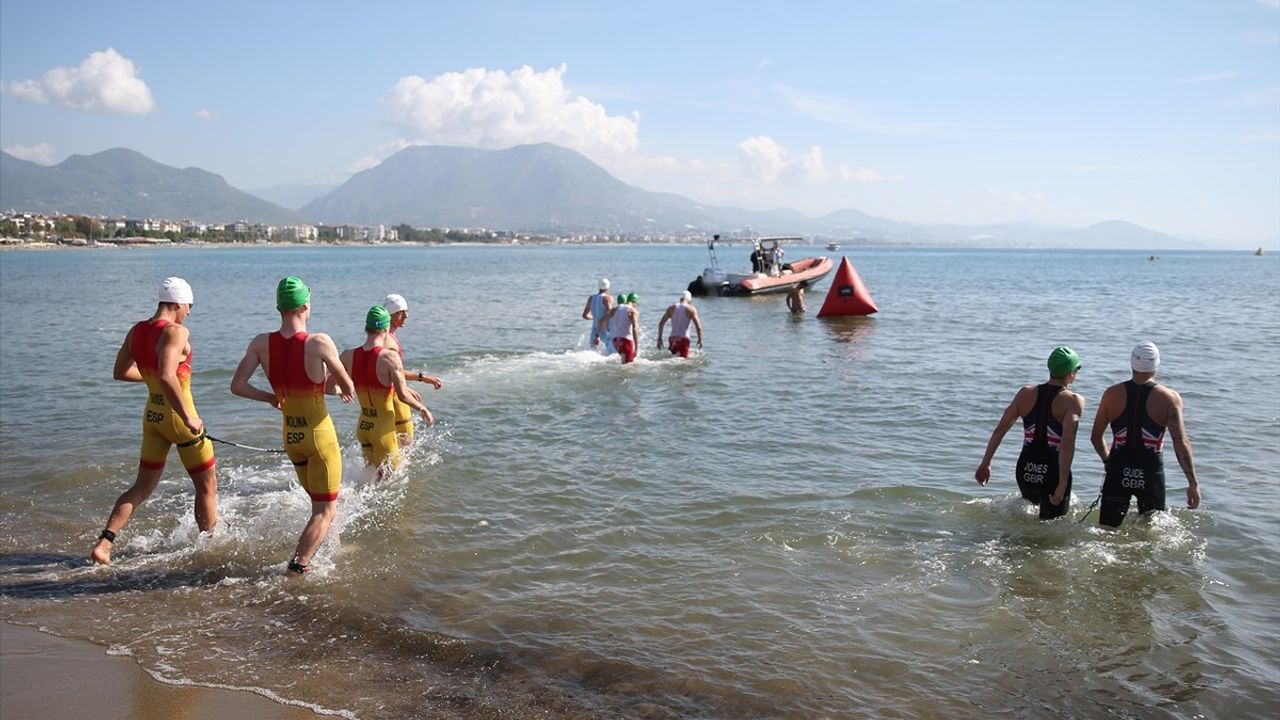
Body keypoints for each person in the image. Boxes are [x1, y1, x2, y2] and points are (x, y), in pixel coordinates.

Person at [230, 276, 356, 576]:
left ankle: (334, 548)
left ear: (278, 307)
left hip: (292, 437)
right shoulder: (319, 342)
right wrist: (337, 387)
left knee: (320, 505)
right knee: (325, 509)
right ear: (305, 306)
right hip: (319, 437)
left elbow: (237, 386)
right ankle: (298, 566)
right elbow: (346, 384)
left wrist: (271, 398)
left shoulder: (261, 343)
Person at [91, 277, 217, 564]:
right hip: (179, 419)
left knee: (141, 487)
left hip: (153, 417)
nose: (189, 312)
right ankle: (209, 550)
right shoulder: (176, 332)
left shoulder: (137, 331)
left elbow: (121, 372)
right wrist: (189, 417)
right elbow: (167, 375)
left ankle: (104, 544)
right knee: (206, 486)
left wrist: (151, 378)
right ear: (176, 304)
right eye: (189, 306)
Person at [1090, 341, 1201, 526]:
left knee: (1106, 532)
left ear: (1132, 363)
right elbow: (1181, 443)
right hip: (1150, 473)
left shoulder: (1111, 394)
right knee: (1150, 536)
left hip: (1117, 469)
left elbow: (1095, 437)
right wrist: (1193, 483)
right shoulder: (1169, 398)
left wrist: (1108, 462)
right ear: (1157, 364)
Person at [975, 346, 1085, 520]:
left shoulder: (1025, 393)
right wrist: (1062, 483)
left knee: (1028, 520)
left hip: (1025, 470)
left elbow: (1000, 429)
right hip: (1052, 473)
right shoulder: (1073, 401)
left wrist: (985, 463)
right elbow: (1066, 444)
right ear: (1071, 373)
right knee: (1053, 531)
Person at [340, 306, 433, 478]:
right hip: (383, 430)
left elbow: (330, 385)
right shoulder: (389, 358)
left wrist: (344, 390)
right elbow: (403, 395)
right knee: (389, 483)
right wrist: (422, 408)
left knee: (369, 480)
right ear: (385, 328)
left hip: (363, 427)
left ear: (366, 328)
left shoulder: (347, 355)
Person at [381, 293, 441, 446]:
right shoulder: (388, 340)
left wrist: (416, 381)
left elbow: (394, 371)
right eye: (401, 312)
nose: (406, 316)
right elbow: (392, 372)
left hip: (391, 396)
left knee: (398, 447)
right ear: (391, 314)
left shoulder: (388, 337)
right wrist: (418, 382)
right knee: (405, 445)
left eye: (406, 311)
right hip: (394, 398)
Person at [656, 291, 704, 359]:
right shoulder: (691, 309)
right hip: (684, 340)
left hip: (672, 339)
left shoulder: (671, 308)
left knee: (672, 359)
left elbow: (661, 323)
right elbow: (698, 327)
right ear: (689, 300)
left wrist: (659, 339)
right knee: (683, 361)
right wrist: (700, 340)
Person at [602, 292, 641, 364]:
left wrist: (607, 329)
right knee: (629, 367)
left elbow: (602, 320)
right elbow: (635, 329)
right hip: (627, 341)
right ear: (634, 302)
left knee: (623, 363)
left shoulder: (615, 309)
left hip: (616, 341)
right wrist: (636, 348)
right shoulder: (632, 311)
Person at [581, 278, 615, 352]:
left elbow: (585, 315)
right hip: (605, 329)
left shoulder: (591, 298)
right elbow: (610, 313)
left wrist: (594, 318)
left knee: (593, 351)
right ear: (608, 287)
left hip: (594, 329)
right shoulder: (607, 298)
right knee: (611, 352)